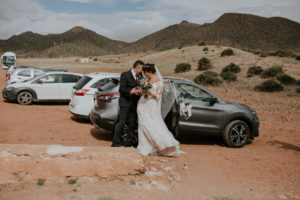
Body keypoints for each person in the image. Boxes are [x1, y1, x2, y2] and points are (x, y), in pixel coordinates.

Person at [137, 63, 182, 156]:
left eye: (145, 72)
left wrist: (148, 92)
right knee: (142, 125)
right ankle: (144, 146)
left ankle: (165, 144)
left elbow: (157, 96)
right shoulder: (146, 80)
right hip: (142, 104)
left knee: (152, 124)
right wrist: (141, 91)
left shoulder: (159, 81)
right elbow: (143, 92)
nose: (144, 74)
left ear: (149, 72)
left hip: (151, 105)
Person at [111, 60, 144, 147]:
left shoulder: (140, 76)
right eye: (141, 69)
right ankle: (115, 143)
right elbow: (121, 89)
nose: (142, 71)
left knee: (132, 124)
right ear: (137, 67)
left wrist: (139, 92)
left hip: (134, 104)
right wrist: (131, 91)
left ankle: (128, 143)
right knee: (121, 122)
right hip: (125, 103)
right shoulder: (125, 75)